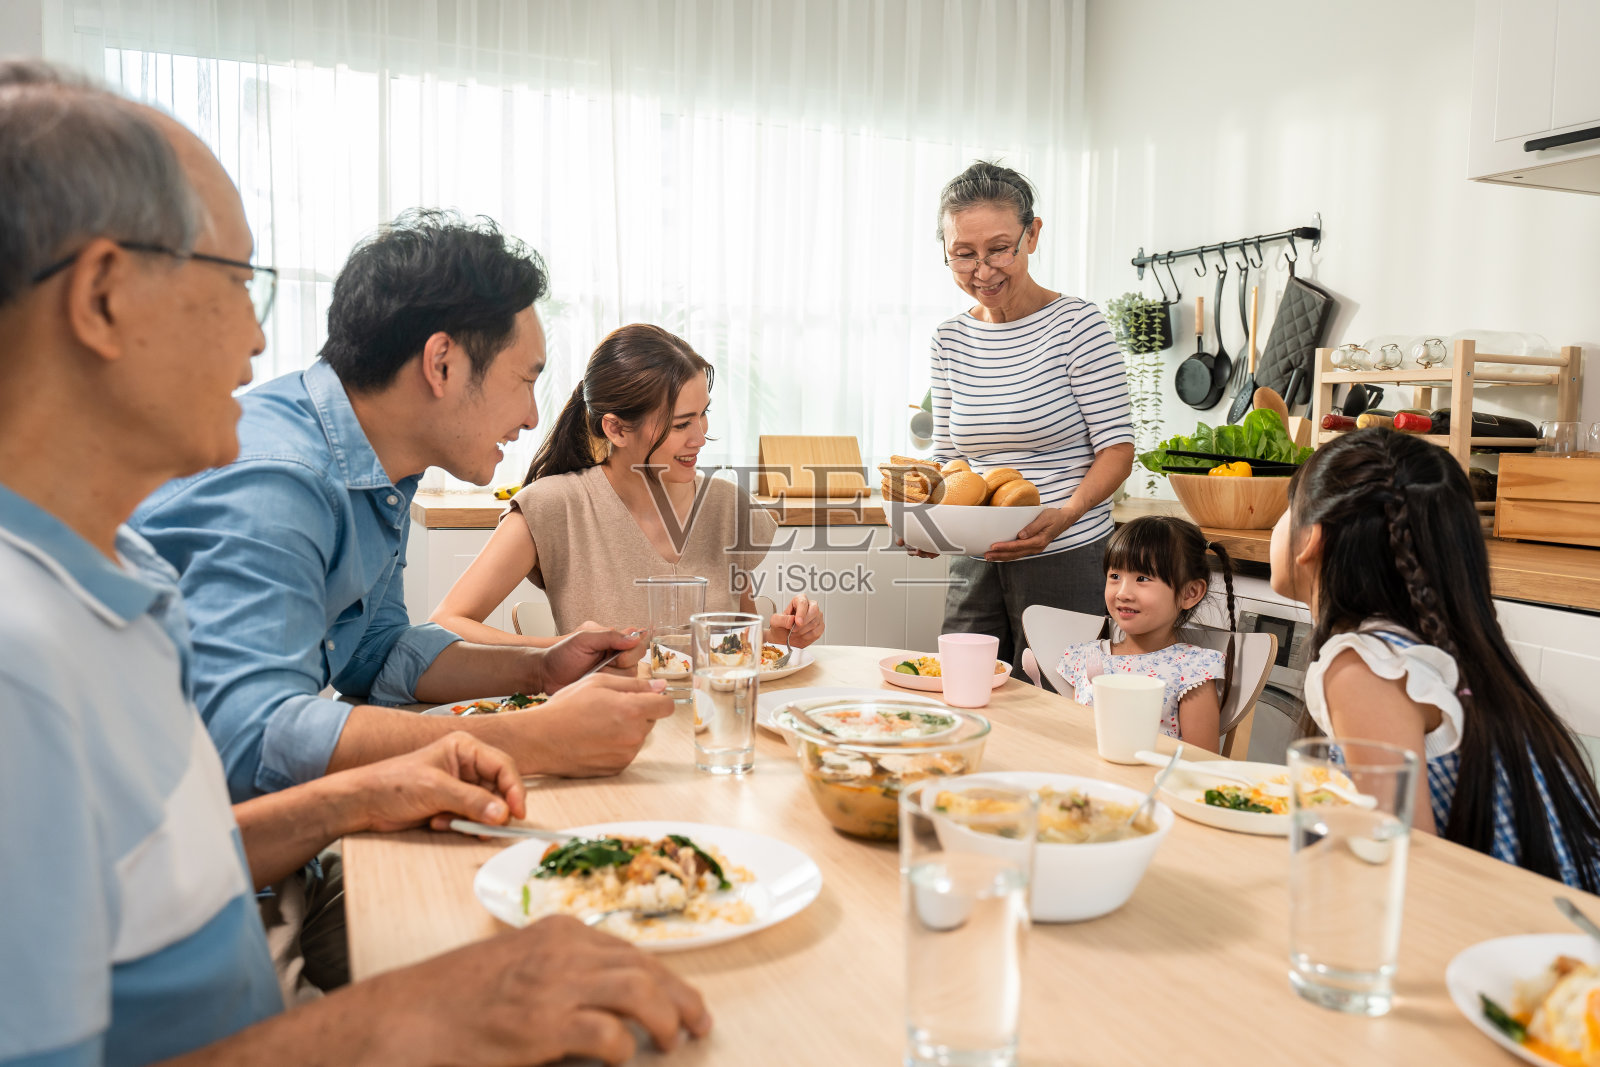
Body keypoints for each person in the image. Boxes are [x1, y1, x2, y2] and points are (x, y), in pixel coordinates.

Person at [0, 61, 709, 1065]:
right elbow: (250, 730)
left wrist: (518, 679)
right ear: (105, 296)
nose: (257, 336)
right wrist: (404, 1011)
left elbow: (368, 654)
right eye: (236, 281)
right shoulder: (43, 641)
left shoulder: (113, 573)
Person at [130, 210, 674, 804]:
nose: (532, 418)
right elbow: (250, 738)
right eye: (525, 381)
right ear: (441, 363)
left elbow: (374, 653)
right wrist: (531, 737)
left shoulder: (379, 471)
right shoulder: (281, 480)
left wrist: (541, 668)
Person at [1271, 428, 1600, 890]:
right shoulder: (1432, 641)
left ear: (1314, 539)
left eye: (1288, 507)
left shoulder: (1364, 665)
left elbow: (1401, 866)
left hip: (1527, 941)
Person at [431, 323, 825, 647]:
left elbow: (733, 644)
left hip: (706, 729)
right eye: (680, 424)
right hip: (602, 731)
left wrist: (783, 634)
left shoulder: (725, 505)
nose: (700, 437)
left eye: (703, 415)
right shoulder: (554, 506)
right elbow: (447, 624)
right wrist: (560, 647)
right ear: (617, 428)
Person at [924, 160, 1135, 671]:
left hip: (1066, 548)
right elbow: (950, 459)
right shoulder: (949, 339)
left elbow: (1118, 450)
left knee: (1057, 706)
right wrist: (928, 523)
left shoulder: (1077, 326)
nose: (983, 270)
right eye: (963, 255)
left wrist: (1064, 515)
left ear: (1032, 234)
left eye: (999, 248)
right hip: (976, 555)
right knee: (960, 688)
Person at [1056, 516, 1237, 752]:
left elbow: (1201, 763)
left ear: (1190, 593)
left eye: (1142, 578)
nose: (1123, 593)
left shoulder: (1193, 670)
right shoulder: (1086, 657)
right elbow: (1072, 737)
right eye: (1115, 576)